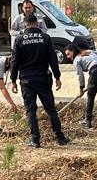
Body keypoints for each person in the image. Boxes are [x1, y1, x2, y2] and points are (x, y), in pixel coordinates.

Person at [9, 15, 70, 148]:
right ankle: (60, 137)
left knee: (30, 110)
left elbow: (15, 62)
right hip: (43, 78)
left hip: (26, 79)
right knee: (50, 109)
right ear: (37, 24)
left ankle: (35, 140)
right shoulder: (45, 38)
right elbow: (53, 59)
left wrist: (13, 80)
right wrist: (57, 77)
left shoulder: (19, 39)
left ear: (25, 25)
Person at [65, 42, 97, 129]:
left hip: (95, 71)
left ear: (73, 51)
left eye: (68, 54)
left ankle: (87, 121)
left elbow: (80, 75)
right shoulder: (88, 51)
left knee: (90, 97)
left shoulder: (77, 59)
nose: (68, 57)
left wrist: (81, 89)